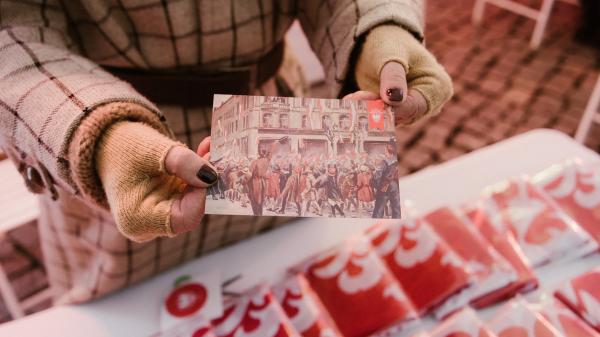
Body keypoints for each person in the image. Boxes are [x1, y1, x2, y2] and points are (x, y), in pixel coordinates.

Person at [0, 0, 453, 304]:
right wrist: (95, 134)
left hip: (280, 127)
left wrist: (378, 27)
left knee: (302, 293)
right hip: (121, 160)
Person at [372, 143, 402, 219]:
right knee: (396, 209)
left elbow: (377, 176)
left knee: (379, 209)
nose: (384, 152)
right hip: (396, 187)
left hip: (384, 186)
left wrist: (376, 186)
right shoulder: (397, 160)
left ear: (388, 151)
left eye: (385, 150)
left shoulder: (384, 162)